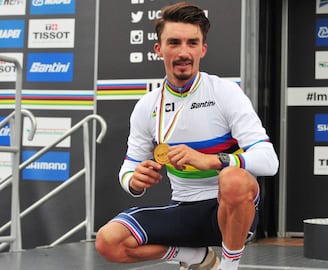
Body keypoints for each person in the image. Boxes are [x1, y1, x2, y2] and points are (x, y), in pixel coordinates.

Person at [96, 2, 279, 270]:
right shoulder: (147, 106)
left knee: (233, 178)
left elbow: (269, 161)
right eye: (174, 43)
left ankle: (229, 267)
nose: (183, 52)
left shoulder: (224, 93)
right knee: (107, 241)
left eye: (192, 43)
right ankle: (196, 257)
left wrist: (214, 160)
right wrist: (134, 181)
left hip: (230, 212)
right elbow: (128, 168)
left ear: (202, 49)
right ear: (159, 49)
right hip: (184, 209)